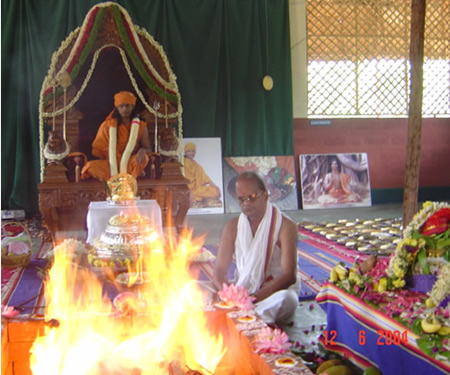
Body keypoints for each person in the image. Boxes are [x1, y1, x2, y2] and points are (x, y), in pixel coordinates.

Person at [213, 172, 300, 324]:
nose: (246, 203)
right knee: (194, 288)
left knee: (287, 299)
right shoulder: (232, 226)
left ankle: (249, 317)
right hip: (242, 288)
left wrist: (253, 299)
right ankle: (246, 315)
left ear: (265, 196)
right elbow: (219, 270)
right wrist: (230, 296)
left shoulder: (286, 227)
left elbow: (289, 276)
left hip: (273, 294)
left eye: (251, 197)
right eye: (241, 199)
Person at [81, 91, 152, 181]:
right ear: (117, 108)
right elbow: (98, 150)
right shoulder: (107, 125)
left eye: (127, 106)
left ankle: (129, 181)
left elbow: (148, 148)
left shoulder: (141, 125)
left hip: (129, 161)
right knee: (90, 167)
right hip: (110, 163)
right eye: (121, 106)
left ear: (133, 107)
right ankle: (119, 180)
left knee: (143, 159)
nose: (124, 109)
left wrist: (143, 150)